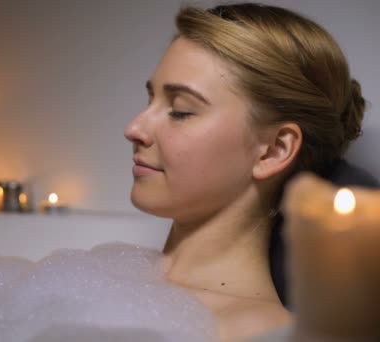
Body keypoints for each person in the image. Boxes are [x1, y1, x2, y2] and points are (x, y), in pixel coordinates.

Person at [124, 3, 366, 341]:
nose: (134, 128)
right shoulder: (108, 281)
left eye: (180, 111)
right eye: (150, 101)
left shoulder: (258, 333)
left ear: (274, 150)